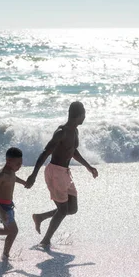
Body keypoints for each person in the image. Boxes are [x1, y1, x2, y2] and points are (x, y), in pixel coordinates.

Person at [25, 101, 98, 247]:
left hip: (65, 173)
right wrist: (33, 174)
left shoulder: (75, 131)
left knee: (72, 208)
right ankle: (45, 241)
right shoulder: (61, 132)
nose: (85, 117)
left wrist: (88, 167)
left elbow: (72, 151)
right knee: (63, 210)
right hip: (55, 172)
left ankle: (40, 217)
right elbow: (45, 152)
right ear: (78, 116)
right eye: (84, 114)